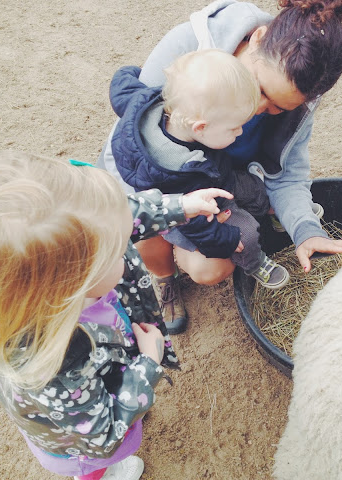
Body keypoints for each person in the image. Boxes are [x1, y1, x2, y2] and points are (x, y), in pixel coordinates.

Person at [0, 151, 231, 480]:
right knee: (96, 464)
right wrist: (147, 366)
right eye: (118, 248)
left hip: (104, 374)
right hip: (81, 446)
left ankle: (129, 399)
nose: (127, 243)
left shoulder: (49, 261)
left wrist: (179, 207)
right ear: (76, 283)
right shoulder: (56, 364)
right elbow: (100, 436)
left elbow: (119, 216)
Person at [98, 0, 342, 333]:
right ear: (257, 38)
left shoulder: (301, 91)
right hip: (159, 186)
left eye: (278, 108)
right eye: (261, 89)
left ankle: (250, 220)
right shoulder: (188, 50)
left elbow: (288, 174)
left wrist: (305, 230)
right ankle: (165, 276)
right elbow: (130, 149)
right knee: (175, 248)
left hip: (221, 181)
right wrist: (179, 213)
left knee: (221, 256)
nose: (256, 108)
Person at [110, 49, 291, 330]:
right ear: (201, 127)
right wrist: (226, 241)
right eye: (235, 128)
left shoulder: (147, 103)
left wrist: (127, 72)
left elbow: (122, 89)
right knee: (246, 234)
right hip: (198, 208)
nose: (240, 133)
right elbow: (197, 225)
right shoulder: (178, 173)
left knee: (256, 190)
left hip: (219, 177)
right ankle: (255, 263)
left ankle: (273, 211)